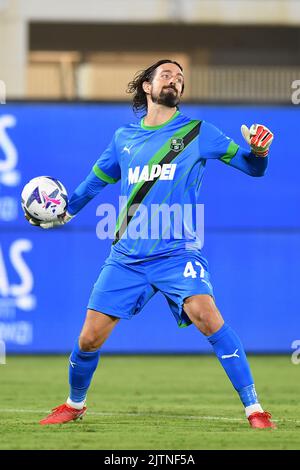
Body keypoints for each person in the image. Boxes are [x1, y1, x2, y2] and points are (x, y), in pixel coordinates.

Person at [29, 59, 275, 428]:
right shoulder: (123, 139)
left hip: (178, 253)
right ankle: (74, 404)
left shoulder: (198, 132)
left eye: (179, 77)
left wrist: (259, 152)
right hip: (127, 257)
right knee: (88, 339)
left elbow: (253, 170)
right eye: (166, 75)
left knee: (207, 317)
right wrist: (64, 212)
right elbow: (94, 183)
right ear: (147, 85)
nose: (174, 80)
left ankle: (255, 410)